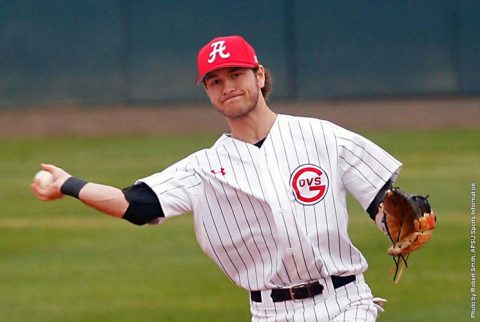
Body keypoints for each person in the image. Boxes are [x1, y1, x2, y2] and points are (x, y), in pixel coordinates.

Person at [32, 35, 400, 322]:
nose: (227, 87)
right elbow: (134, 205)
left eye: (236, 74)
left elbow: (385, 201)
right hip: (271, 312)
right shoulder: (202, 168)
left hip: (344, 302)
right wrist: (69, 184)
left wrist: (396, 222)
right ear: (208, 91)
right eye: (215, 80)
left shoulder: (322, 136)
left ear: (259, 75)